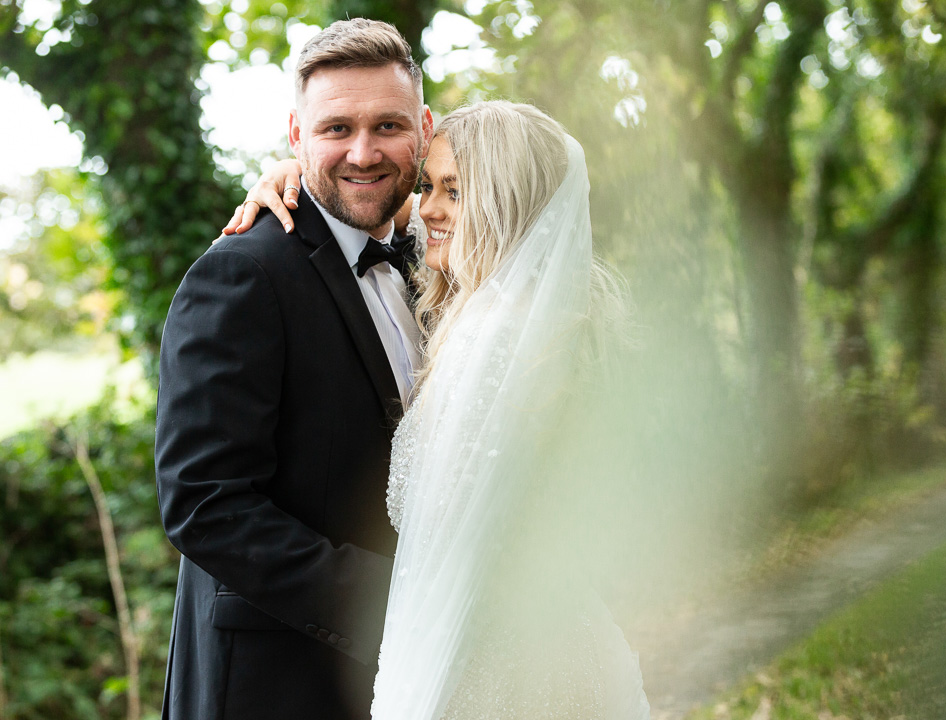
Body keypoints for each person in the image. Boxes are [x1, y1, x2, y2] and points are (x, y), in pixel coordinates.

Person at [231, 101, 651, 718]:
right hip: (549, 639)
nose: (426, 209)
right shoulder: (549, 316)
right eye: (428, 185)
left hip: (502, 670)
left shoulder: (500, 340)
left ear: (505, 204)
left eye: (453, 191)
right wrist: (293, 173)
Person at [154, 18, 433, 719]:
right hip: (278, 684)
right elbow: (204, 502)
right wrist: (396, 598)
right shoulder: (243, 274)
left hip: (409, 675)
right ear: (295, 137)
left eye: (388, 126)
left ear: (425, 129)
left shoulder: (440, 253)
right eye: (335, 128)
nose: (363, 152)